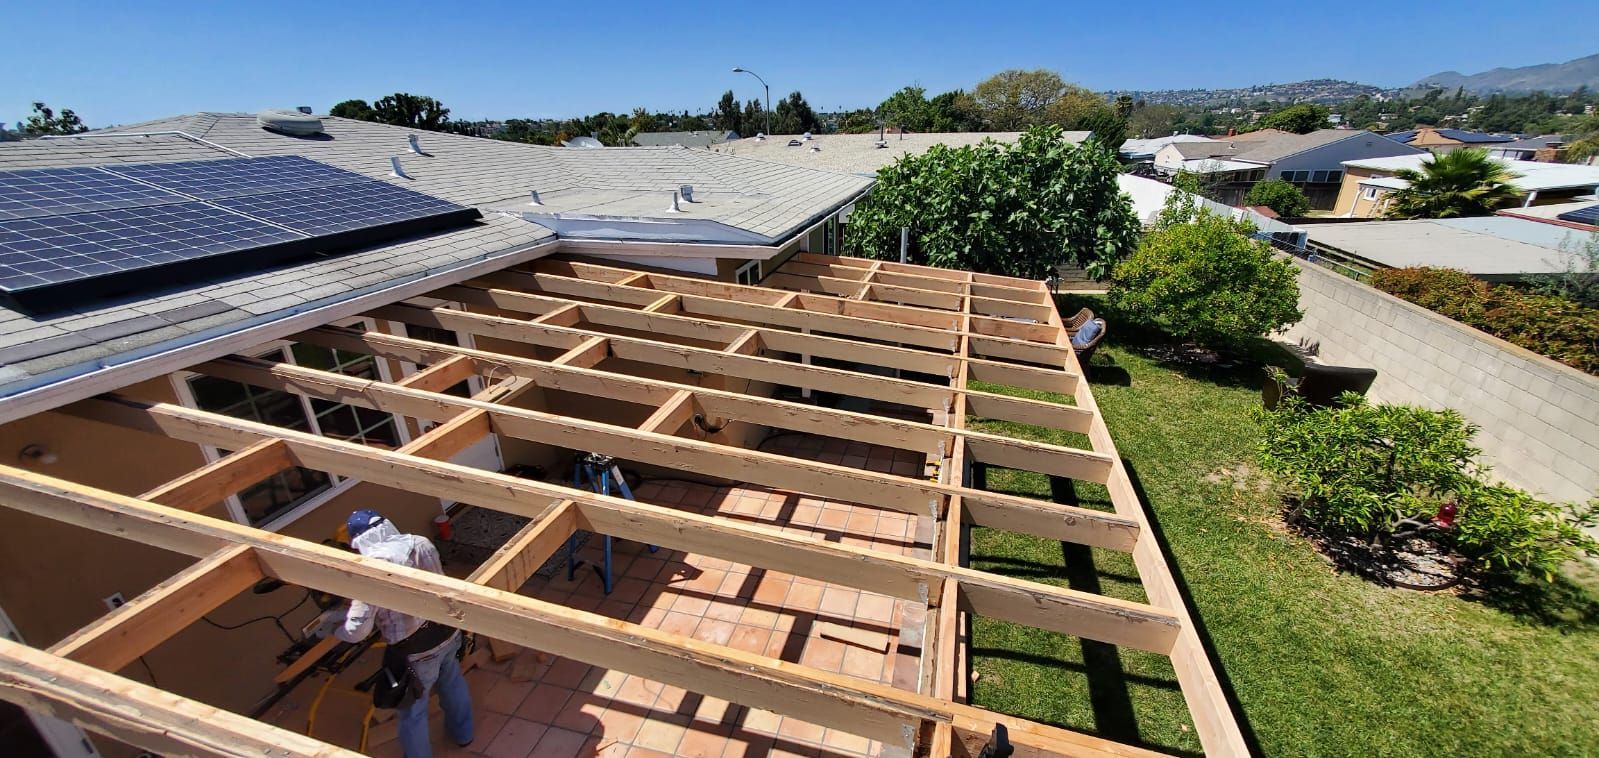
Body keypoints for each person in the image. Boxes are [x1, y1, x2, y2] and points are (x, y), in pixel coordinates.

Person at [336, 509, 473, 757]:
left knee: (413, 712)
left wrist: (336, 631)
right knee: (452, 683)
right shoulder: (421, 543)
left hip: (415, 651)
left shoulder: (370, 570)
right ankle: (464, 734)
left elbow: (357, 631)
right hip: (447, 631)